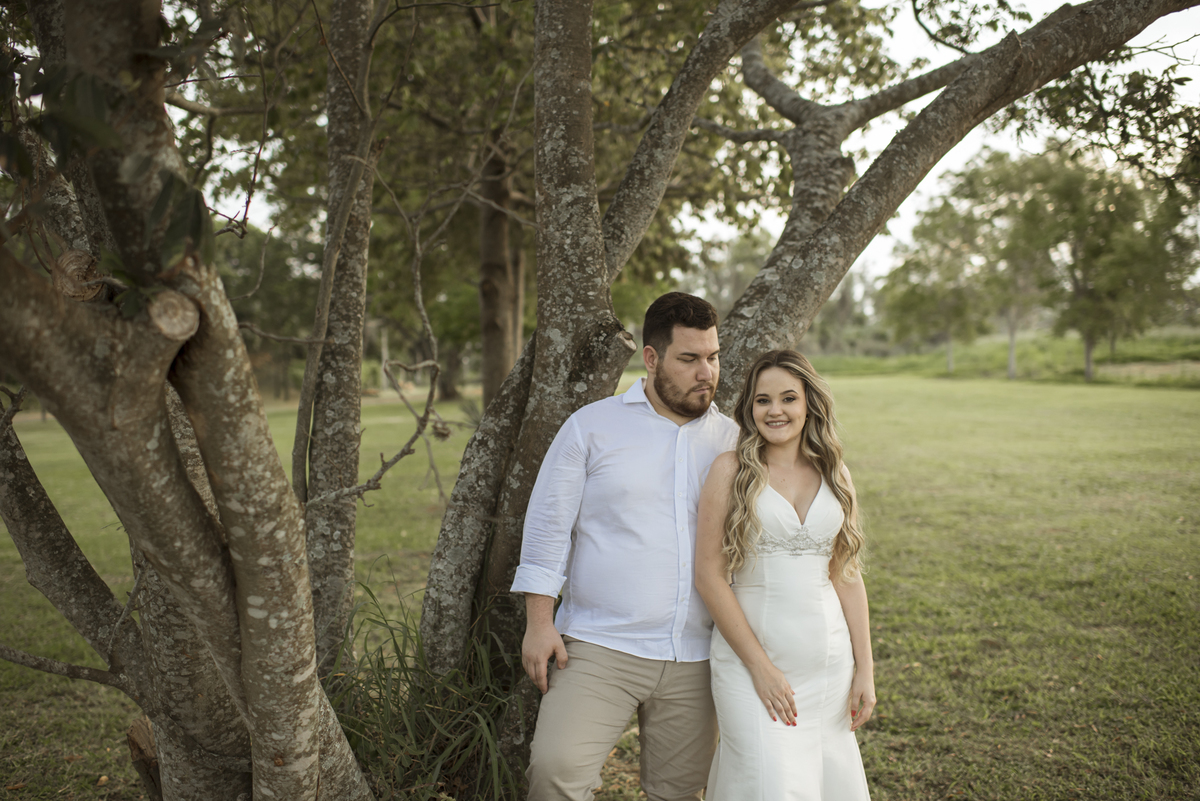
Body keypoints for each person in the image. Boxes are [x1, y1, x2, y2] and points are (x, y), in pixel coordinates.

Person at [511, 292, 738, 801]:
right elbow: (548, 527)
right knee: (554, 772)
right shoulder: (592, 427)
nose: (707, 373)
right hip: (598, 648)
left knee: (679, 793)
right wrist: (539, 621)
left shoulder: (735, 441)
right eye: (689, 359)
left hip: (698, 655)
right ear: (651, 358)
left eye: (713, 356)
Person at [695, 349, 875, 801]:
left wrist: (865, 669)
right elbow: (709, 577)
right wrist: (761, 668)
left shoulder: (836, 474)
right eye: (762, 400)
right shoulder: (730, 470)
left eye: (788, 398)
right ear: (749, 408)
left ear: (809, 403)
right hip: (750, 665)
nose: (775, 410)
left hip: (828, 668)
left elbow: (846, 575)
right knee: (766, 784)